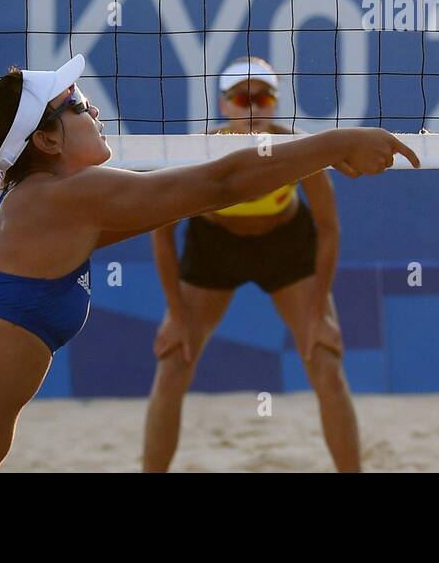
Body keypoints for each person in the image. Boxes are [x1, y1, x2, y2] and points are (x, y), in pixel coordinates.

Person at [0, 54, 417, 473]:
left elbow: (196, 197)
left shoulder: (16, 210)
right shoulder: (60, 200)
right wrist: (337, 140)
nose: (92, 107)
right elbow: (219, 181)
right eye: (74, 105)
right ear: (47, 142)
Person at [142, 57, 359, 472]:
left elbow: (329, 227)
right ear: (225, 106)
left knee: (326, 361)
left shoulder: (298, 148)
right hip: (214, 246)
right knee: (173, 362)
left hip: (285, 245)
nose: (254, 106)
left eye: (264, 95)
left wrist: (318, 312)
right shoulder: (200, 150)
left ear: (276, 103)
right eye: (243, 96)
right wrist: (175, 311)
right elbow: (161, 230)